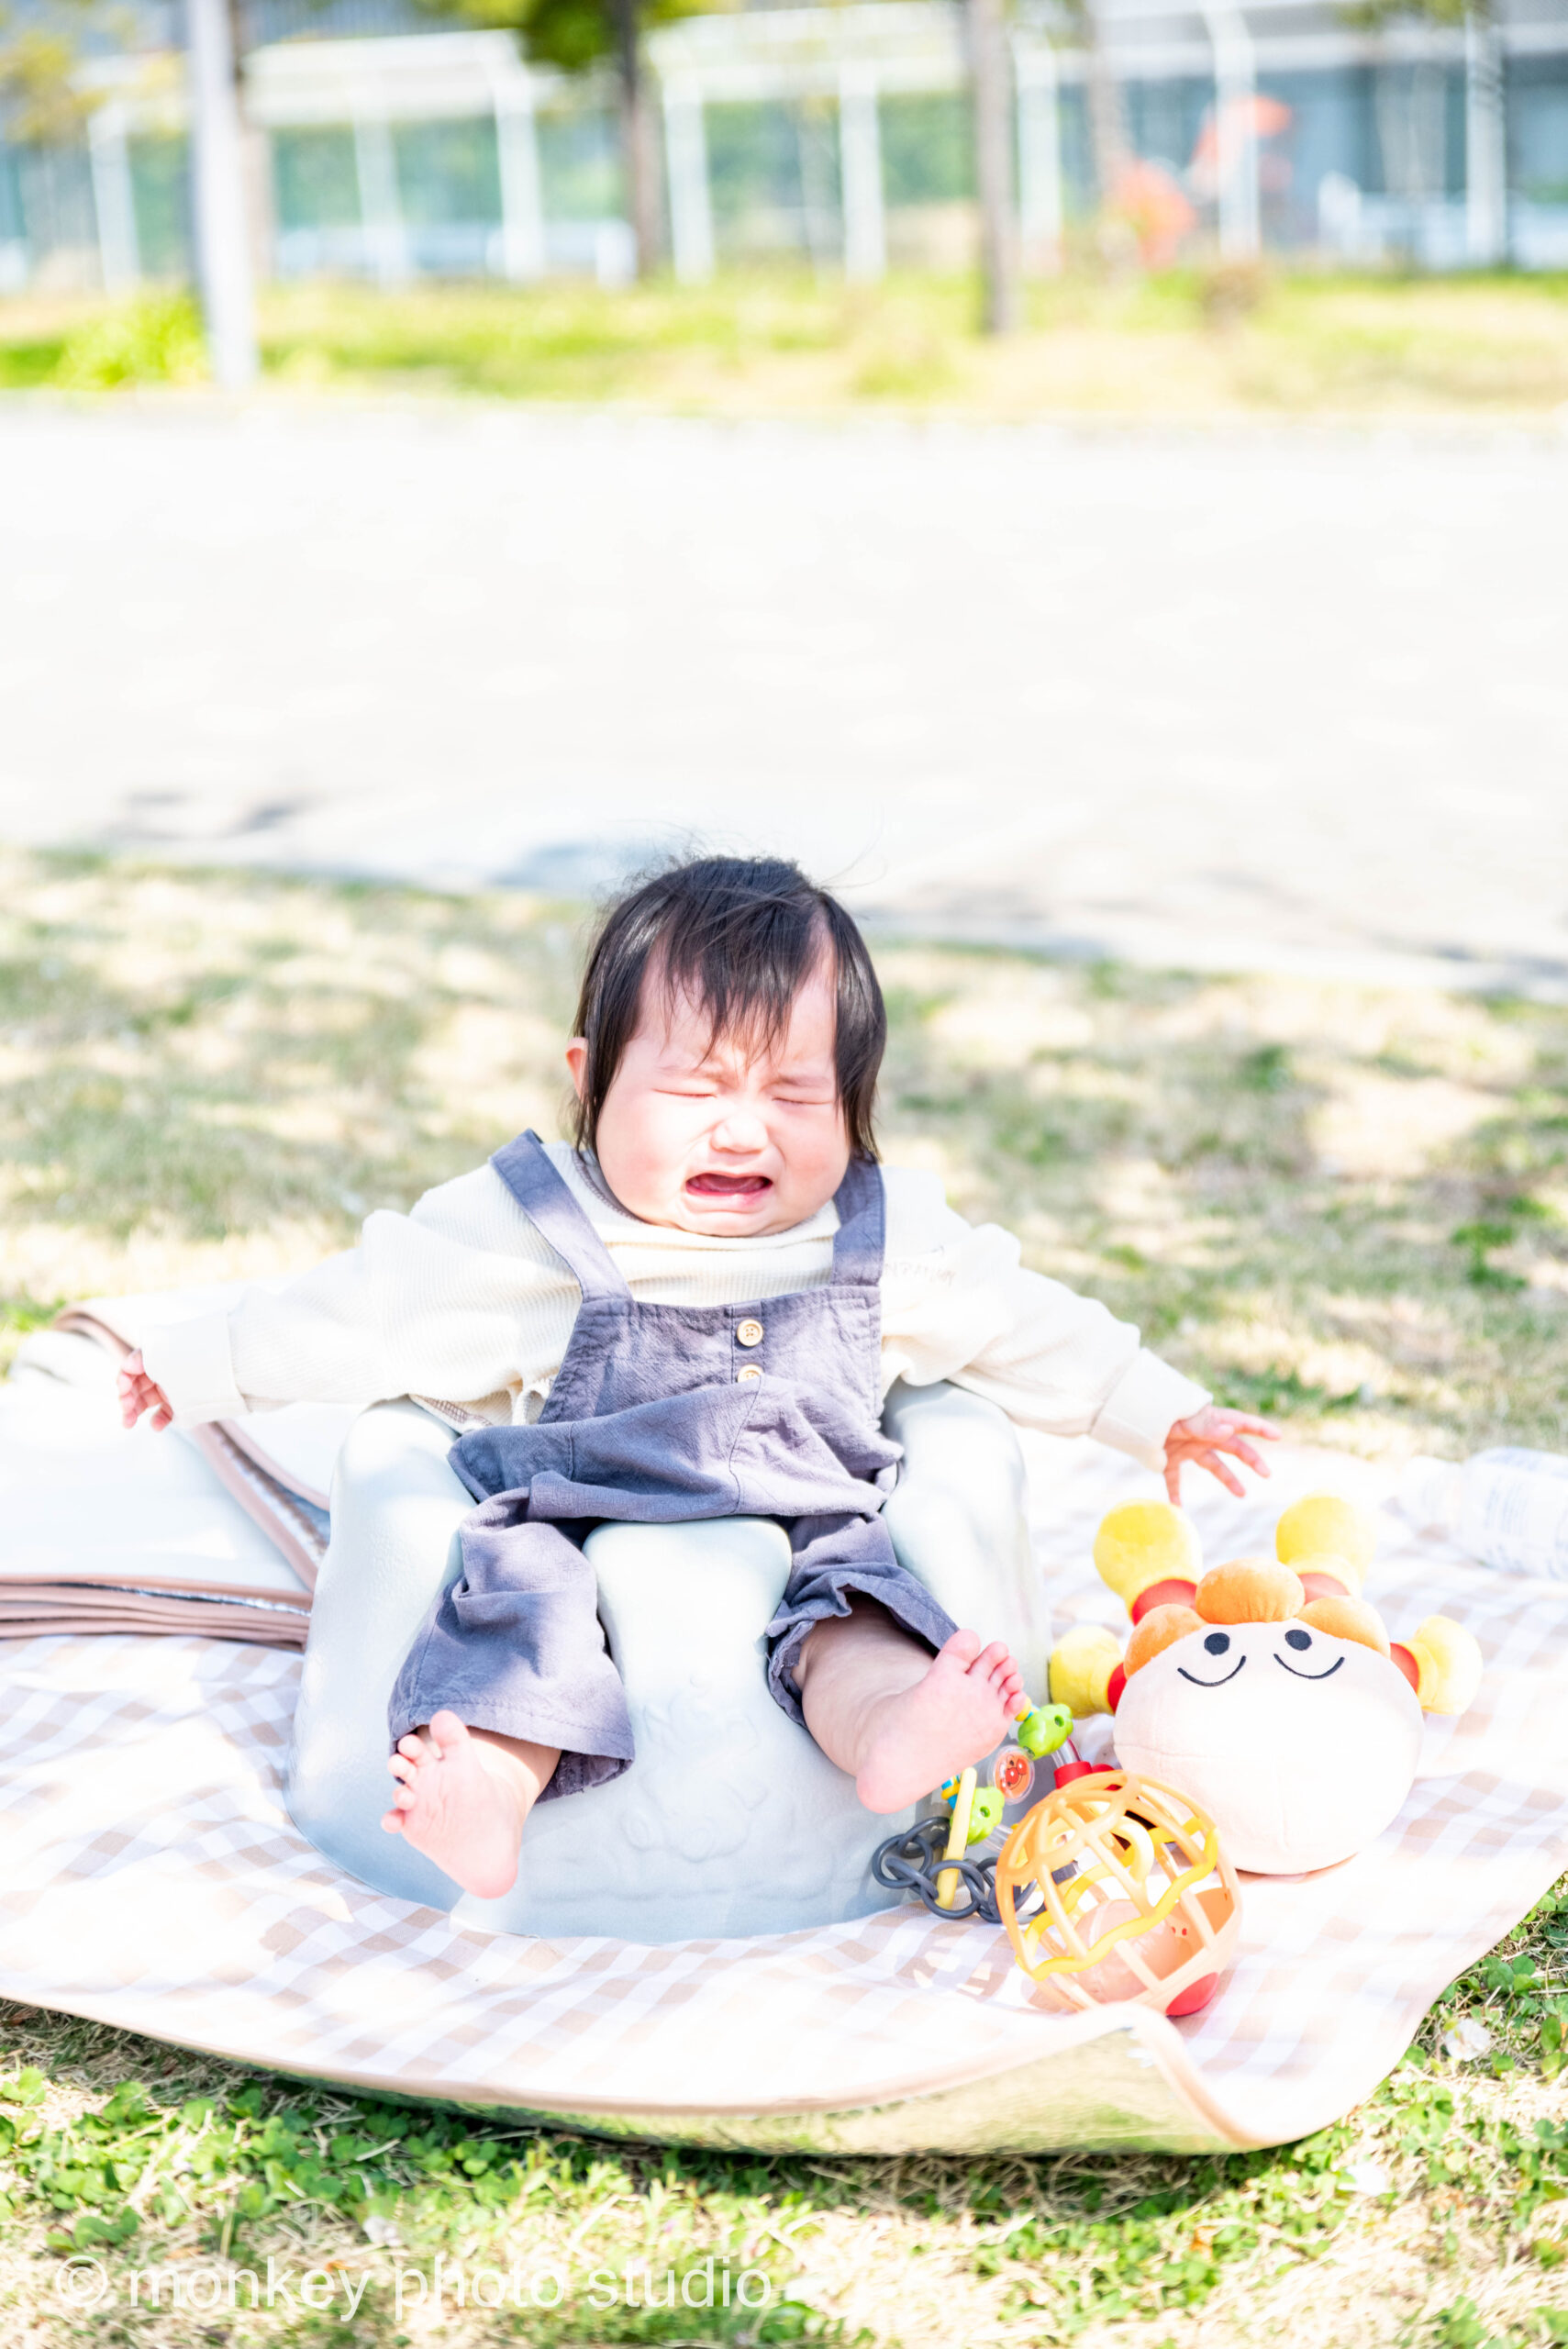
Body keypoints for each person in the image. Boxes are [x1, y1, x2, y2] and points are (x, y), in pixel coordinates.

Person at [118, 856, 1275, 1901]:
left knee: (860, 1622)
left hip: (813, 1523)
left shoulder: (880, 1241)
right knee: (523, 1629)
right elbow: (366, 1306)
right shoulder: (525, 1233)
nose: (741, 1131)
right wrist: (202, 1364)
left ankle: (895, 1736)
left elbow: (1015, 1320)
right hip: (571, 1520)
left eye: (793, 1094)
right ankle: (489, 1797)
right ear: (590, 1080)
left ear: (856, 1101)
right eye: (694, 1090)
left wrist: (1157, 1409)